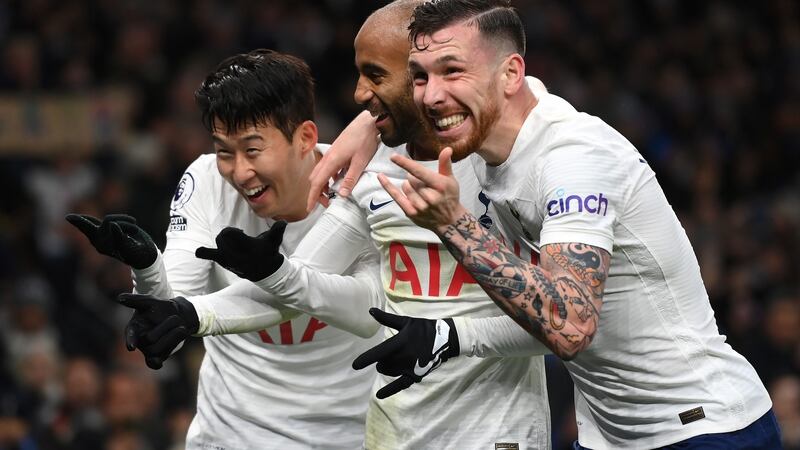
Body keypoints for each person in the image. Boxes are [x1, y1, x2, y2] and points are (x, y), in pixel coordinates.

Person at [363, 0, 780, 448]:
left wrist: (453, 222)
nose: (430, 94)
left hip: (703, 427)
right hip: (608, 435)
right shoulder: (494, 135)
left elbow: (570, 326)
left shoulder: (574, 160)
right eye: (420, 76)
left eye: (451, 70)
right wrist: (450, 335)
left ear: (510, 75)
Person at [176, 1, 553, 448]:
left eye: (374, 75)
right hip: (392, 433)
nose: (357, 92)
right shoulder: (370, 174)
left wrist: (451, 338)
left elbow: (562, 325)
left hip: (493, 434)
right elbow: (303, 285)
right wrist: (194, 309)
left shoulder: (512, 163)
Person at [67, 49, 384, 449]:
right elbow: (173, 315)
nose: (239, 171)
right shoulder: (205, 181)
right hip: (228, 434)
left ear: (305, 138)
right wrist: (148, 266)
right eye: (223, 151)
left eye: (253, 150)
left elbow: (369, 314)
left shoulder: (364, 188)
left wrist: (209, 307)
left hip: (344, 436)